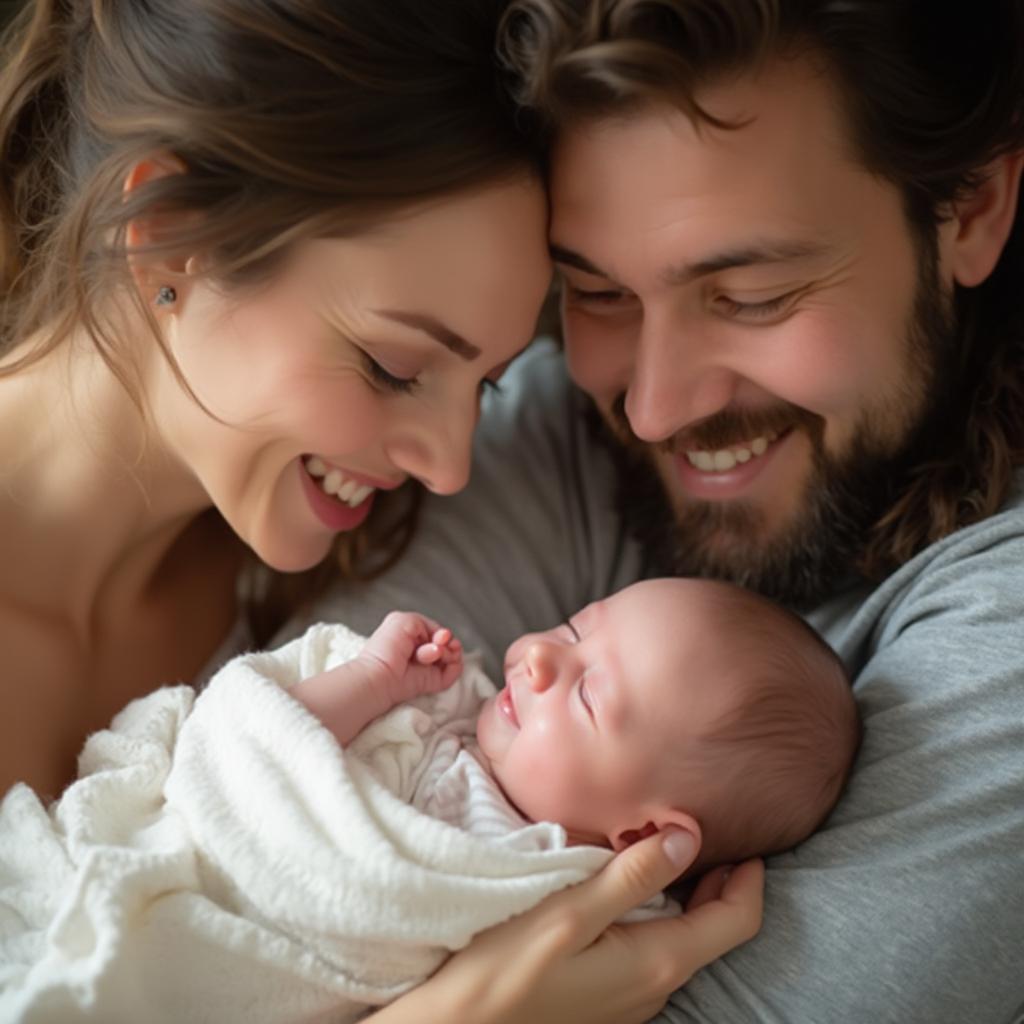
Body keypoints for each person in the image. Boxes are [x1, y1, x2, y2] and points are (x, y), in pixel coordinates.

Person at [0, 0, 764, 1016]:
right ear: (170, 236)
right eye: (395, 365)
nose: (450, 467)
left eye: (485, 382)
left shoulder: (321, 583)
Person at [294, 0, 1024, 1021]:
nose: (651, 406)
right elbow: (244, 809)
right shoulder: (557, 433)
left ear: (972, 205)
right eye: (597, 295)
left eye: (751, 294)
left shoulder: (1005, 627)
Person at [0, 579, 854, 1022]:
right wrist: (369, 681)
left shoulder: (566, 896)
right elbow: (253, 738)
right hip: (171, 862)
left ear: (645, 833)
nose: (541, 661)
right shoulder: (437, 705)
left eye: (590, 696)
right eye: (575, 628)